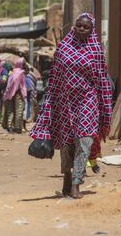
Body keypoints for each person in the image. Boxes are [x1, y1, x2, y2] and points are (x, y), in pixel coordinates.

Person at [29, 13, 112, 199]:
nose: (81, 29)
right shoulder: (64, 48)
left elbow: (101, 79)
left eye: (86, 27)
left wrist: (105, 107)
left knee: (85, 140)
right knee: (66, 142)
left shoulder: (96, 51)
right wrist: (49, 103)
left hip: (88, 100)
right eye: (79, 25)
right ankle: (67, 176)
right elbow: (56, 77)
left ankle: (76, 182)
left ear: (92, 30)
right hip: (65, 101)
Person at [2, 58, 27, 134]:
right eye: (24, 64)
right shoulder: (21, 73)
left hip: (10, 94)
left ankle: (9, 126)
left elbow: (9, 84)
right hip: (18, 93)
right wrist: (24, 94)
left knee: (10, 111)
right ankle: (17, 128)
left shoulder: (12, 72)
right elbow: (21, 85)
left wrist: (9, 93)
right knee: (19, 111)